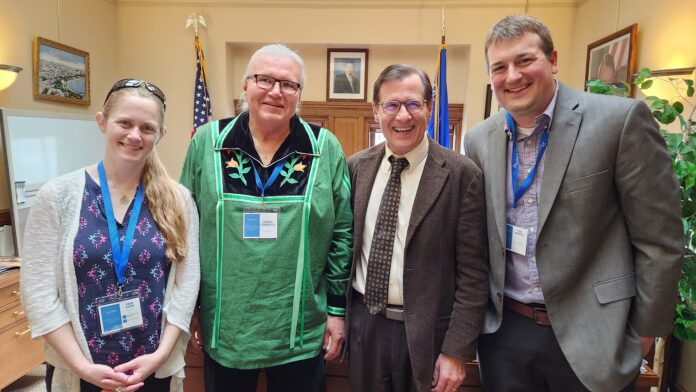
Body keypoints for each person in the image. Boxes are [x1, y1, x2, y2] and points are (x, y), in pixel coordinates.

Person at [464, 15, 683, 392]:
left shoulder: (619, 121)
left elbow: (659, 240)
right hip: (505, 336)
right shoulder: (479, 140)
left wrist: (644, 336)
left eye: (524, 60)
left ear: (553, 60)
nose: (512, 76)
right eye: (499, 67)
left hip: (596, 336)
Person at [180, 44, 352, 392]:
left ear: (299, 94)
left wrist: (336, 310)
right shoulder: (207, 143)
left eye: (289, 84)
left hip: (301, 329)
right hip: (225, 328)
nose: (276, 91)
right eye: (264, 79)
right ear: (245, 85)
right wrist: (190, 308)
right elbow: (184, 228)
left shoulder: (324, 148)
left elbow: (342, 232)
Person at [20, 78, 201, 392]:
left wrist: (159, 357)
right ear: (102, 122)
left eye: (147, 128)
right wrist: (82, 366)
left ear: (160, 135)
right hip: (81, 371)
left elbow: (187, 286)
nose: (134, 135)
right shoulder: (58, 196)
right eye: (125, 123)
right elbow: (38, 293)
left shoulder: (179, 200)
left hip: (152, 371)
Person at [346, 64, 488, 392]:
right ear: (376, 111)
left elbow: (474, 275)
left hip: (428, 335)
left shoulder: (461, 174)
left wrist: (456, 350)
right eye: (392, 105)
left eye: (413, 104)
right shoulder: (356, 168)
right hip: (365, 327)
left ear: (429, 107)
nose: (403, 116)